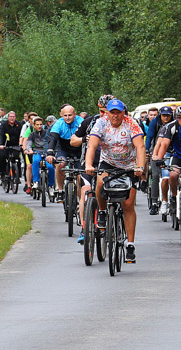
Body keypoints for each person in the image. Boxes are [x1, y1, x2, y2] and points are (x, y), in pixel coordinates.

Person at [85, 99, 145, 263]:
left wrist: (140, 167)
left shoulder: (131, 123)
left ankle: (130, 245)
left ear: (123, 112)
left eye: (118, 112)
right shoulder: (101, 123)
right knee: (99, 182)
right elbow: (92, 146)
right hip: (108, 162)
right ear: (107, 113)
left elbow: (140, 146)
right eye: (112, 112)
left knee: (128, 205)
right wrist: (89, 164)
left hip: (129, 164)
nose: (115, 115)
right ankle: (103, 213)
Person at [71, 95, 115, 244]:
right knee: (86, 191)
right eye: (101, 111)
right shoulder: (89, 122)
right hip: (90, 165)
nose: (104, 115)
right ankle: (84, 228)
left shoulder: (119, 122)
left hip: (111, 165)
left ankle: (115, 221)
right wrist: (85, 139)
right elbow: (73, 140)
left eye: (107, 111)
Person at [46, 105, 84, 200]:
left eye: (70, 115)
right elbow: (53, 138)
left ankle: (81, 202)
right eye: (65, 115)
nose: (67, 118)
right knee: (60, 164)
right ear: (61, 115)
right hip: (64, 148)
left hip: (78, 150)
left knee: (80, 176)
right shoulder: (58, 123)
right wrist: (50, 153)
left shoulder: (81, 122)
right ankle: (60, 190)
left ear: (75, 114)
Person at [146, 106, 174, 215]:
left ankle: (174, 198)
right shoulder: (155, 122)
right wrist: (148, 150)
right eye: (164, 115)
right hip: (156, 151)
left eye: (168, 115)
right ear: (160, 115)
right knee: (156, 175)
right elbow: (149, 137)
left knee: (173, 175)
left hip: (172, 151)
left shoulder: (175, 123)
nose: (166, 117)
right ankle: (154, 202)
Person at [24, 116, 55, 193]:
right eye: (37, 124)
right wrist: (30, 150)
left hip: (46, 152)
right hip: (37, 151)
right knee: (35, 161)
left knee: (50, 167)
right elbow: (29, 144)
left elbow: (51, 142)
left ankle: (51, 185)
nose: (39, 126)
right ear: (34, 125)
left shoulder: (47, 133)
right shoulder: (32, 134)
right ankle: (36, 182)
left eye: (41, 124)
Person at [0, 111, 23, 182]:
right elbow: (1, 135)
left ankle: (17, 176)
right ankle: (2, 173)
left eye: (13, 117)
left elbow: (22, 135)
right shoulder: (3, 124)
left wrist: (21, 144)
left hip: (15, 145)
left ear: (15, 117)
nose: (12, 118)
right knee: (2, 157)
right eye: (10, 117)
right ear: (8, 117)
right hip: (5, 145)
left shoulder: (19, 125)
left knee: (17, 158)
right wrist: (0, 144)